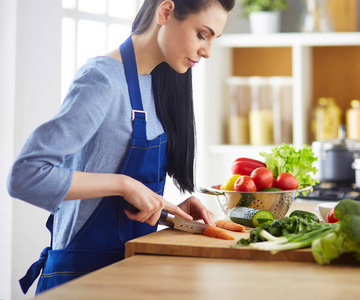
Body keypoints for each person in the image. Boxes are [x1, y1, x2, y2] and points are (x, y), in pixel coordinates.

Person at [7, 0, 235, 295]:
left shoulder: (155, 83)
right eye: (202, 35)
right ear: (165, 12)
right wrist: (125, 184)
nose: (207, 51)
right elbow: (25, 175)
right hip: (81, 281)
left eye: (214, 39)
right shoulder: (102, 79)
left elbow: (116, 202)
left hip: (131, 275)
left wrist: (169, 214)